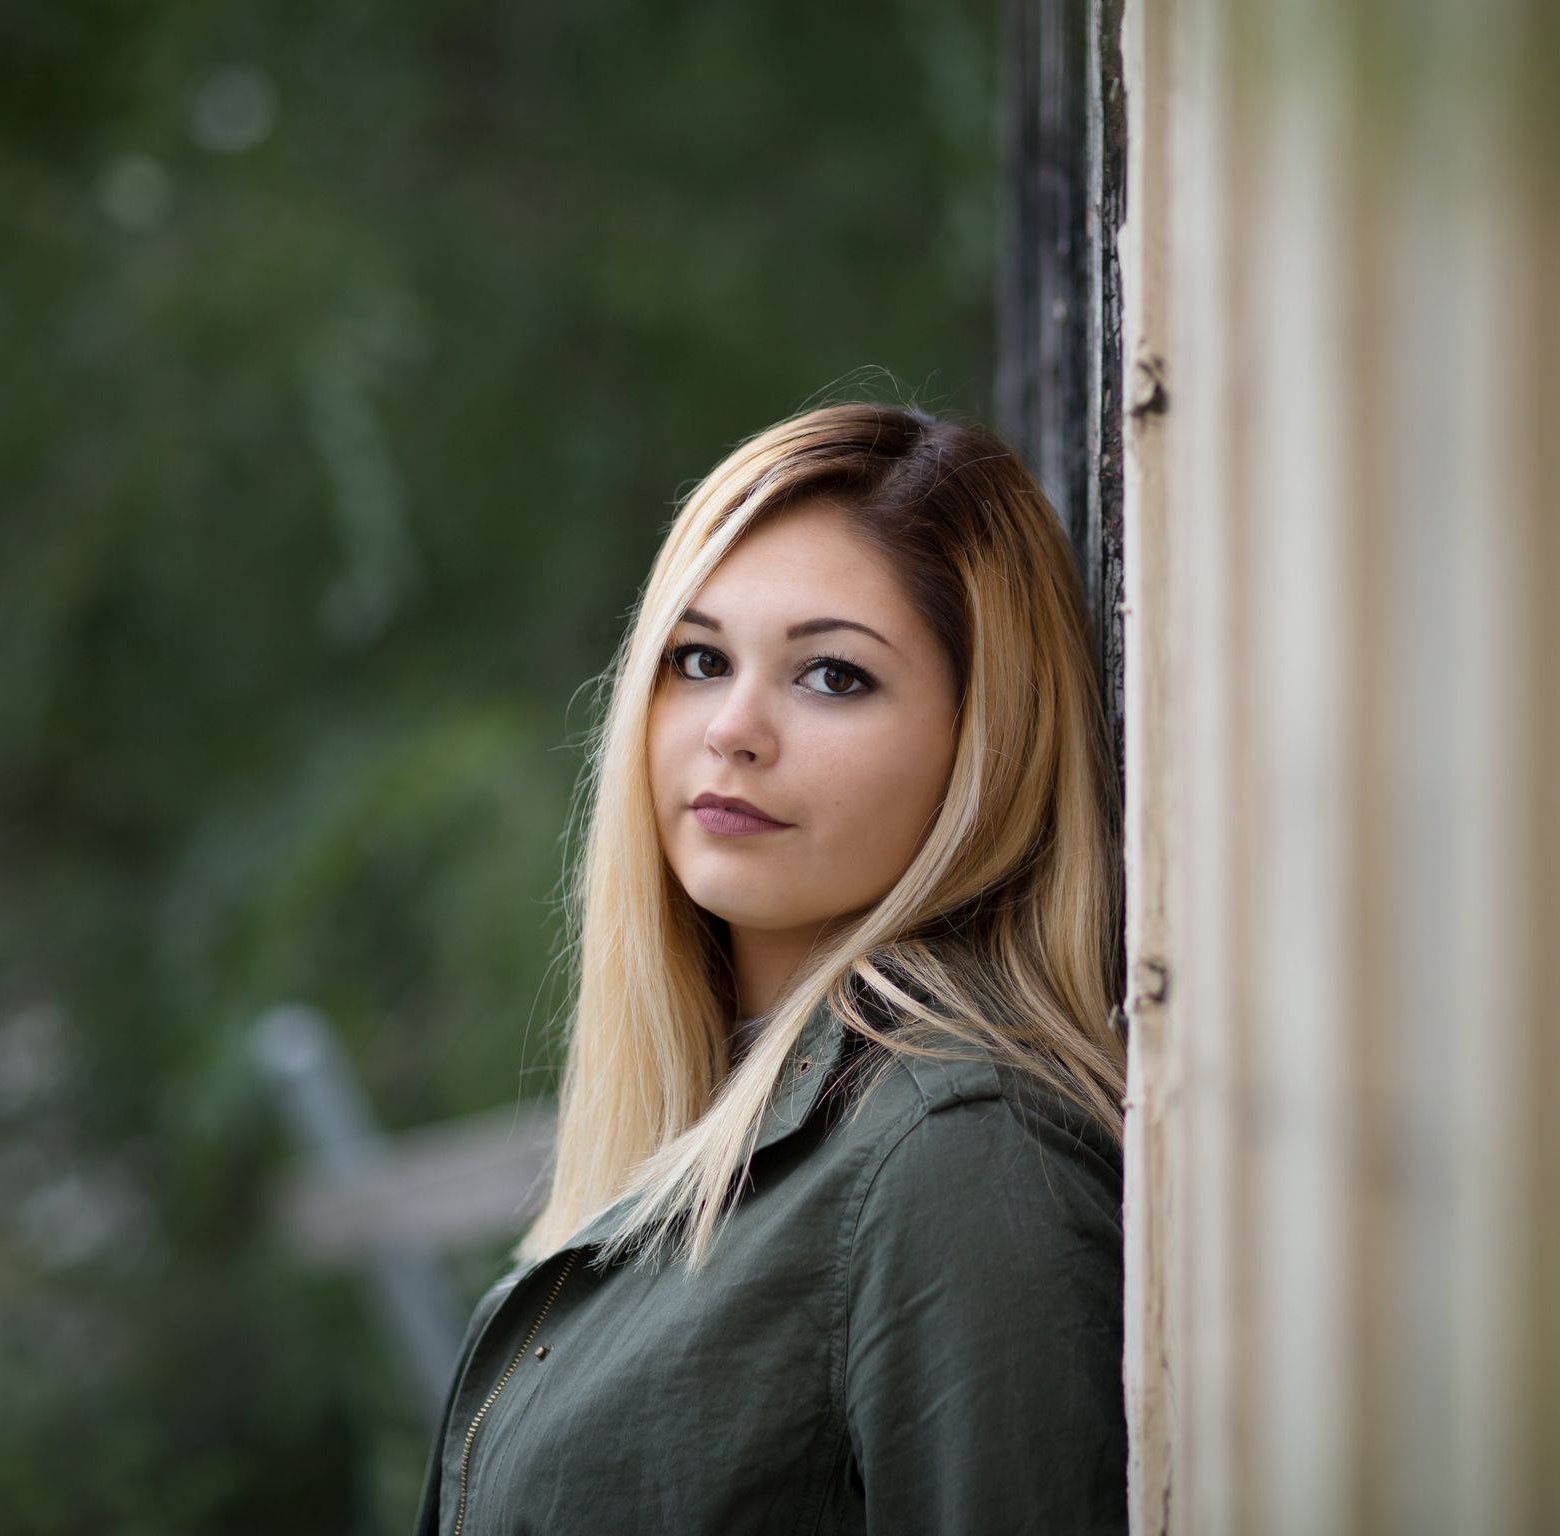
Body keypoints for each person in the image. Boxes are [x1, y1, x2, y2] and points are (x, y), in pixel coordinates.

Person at [412, 399, 1129, 1536]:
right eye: (698, 660)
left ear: (987, 740)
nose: (732, 730)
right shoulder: (737, 1122)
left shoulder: (960, 1156)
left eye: (833, 676)